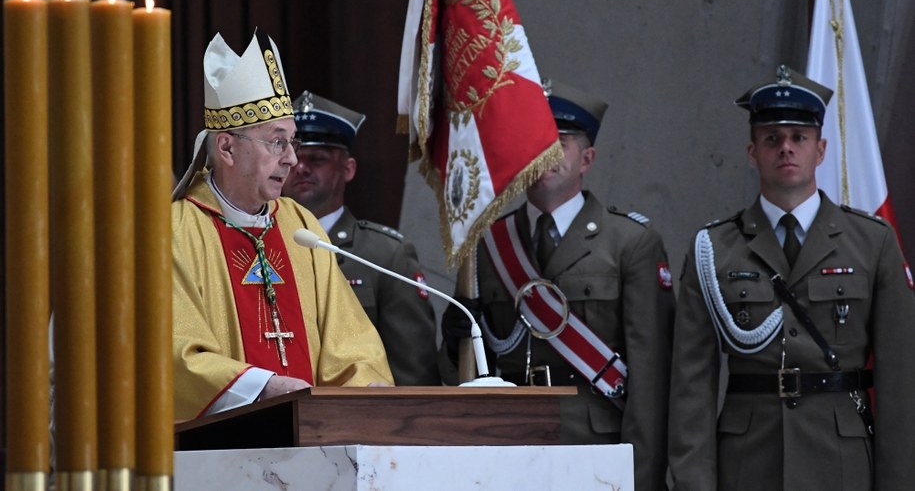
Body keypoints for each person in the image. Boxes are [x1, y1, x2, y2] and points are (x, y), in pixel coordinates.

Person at [668, 65, 915, 490]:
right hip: (747, 462)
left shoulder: (871, 242)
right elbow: (691, 386)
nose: (785, 148)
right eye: (772, 139)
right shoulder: (713, 248)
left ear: (820, 151)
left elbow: (900, 384)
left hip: (839, 462)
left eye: (798, 138)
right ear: (752, 152)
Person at [440, 78, 675, 490]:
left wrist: (641, 475)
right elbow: (466, 374)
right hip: (509, 445)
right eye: (534, 140)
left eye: (558, 142)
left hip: (596, 447)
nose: (544, 152)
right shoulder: (487, 242)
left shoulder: (631, 242)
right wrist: (452, 342)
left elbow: (650, 379)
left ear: (587, 158)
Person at [171, 30, 393, 420]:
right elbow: (171, 354)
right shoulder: (175, 232)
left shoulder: (299, 223)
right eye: (277, 142)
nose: (292, 158)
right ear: (226, 148)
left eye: (292, 141)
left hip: (313, 447)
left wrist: (366, 388)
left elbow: (352, 344)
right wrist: (263, 388)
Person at [281, 90, 440, 385]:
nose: (301, 168)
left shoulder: (385, 254)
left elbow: (413, 372)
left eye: (316, 159)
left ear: (348, 169)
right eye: (293, 158)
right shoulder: (265, 245)